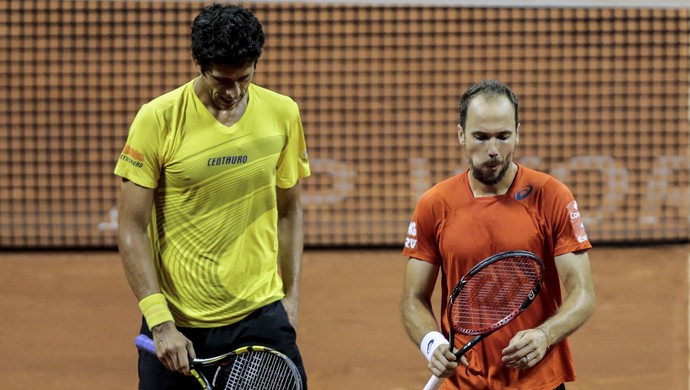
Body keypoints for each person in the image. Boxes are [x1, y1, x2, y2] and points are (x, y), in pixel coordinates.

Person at [114, 3, 310, 389]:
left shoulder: (283, 113)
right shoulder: (157, 119)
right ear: (198, 63)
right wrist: (160, 321)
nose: (233, 91)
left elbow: (290, 211)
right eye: (221, 79)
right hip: (179, 326)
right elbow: (131, 227)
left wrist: (290, 300)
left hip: (260, 317)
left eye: (245, 77)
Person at [401, 79, 595, 389]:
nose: (493, 150)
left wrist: (545, 335)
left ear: (518, 132)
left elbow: (583, 293)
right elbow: (413, 298)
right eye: (480, 137)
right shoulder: (434, 204)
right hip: (463, 383)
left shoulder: (551, 196)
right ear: (461, 134)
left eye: (503, 137)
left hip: (537, 382)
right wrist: (431, 342)